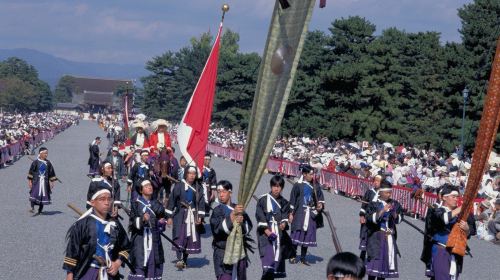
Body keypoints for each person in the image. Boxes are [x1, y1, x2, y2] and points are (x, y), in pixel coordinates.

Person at [63, 184, 130, 280]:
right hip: (87, 272)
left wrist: (117, 263)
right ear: (92, 202)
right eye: (102, 199)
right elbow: (73, 250)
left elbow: (126, 247)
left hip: (109, 273)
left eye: (109, 199)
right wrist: (69, 275)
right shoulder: (82, 224)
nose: (107, 202)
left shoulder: (115, 224)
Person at [424, 184, 474, 280]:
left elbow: (466, 235)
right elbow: (444, 219)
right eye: (453, 197)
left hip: (456, 251)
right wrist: (462, 208)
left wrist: (467, 229)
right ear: (444, 198)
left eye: (457, 197)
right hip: (441, 250)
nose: (456, 199)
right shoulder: (436, 210)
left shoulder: (459, 214)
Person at [210, 180, 253, 280]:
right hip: (222, 253)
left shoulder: (239, 208)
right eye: (219, 192)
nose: (221, 195)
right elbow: (217, 231)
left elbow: (248, 228)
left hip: (238, 252)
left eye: (224, 191)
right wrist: (232, 215)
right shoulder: (217, 211)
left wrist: (242, 222)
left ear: (230, 193)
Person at [166, 165, 206, 269]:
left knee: (189, 238)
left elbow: (201, 203)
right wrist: (169, 216)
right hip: (180, 214)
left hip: (193, 215)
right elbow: (172, 201)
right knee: (179, 236)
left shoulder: (198, 187)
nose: (192, 176)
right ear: (186, 174)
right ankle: (179, 259)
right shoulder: (179, 186)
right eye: (190, 173)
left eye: (194, 174)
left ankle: (184, 259)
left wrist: (200, 217)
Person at [128, 180, 167, 280]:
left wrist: (161, 223)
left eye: (150, 185)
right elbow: (132, 223)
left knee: (154, 264)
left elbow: (161, 221)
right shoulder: (136, 204)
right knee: (140, 265)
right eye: (146, 186)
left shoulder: (157, 204)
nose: (149, 187)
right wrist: (142, 219)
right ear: (141, 190)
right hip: (140, 240)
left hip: (154, 239)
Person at [256, 175, 293, 279]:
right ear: (271, 186)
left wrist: (284, 224)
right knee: (267, 265)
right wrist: (267, 231)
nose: (276, 189)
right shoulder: (263, 199)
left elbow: (285, 216)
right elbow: (260, 216)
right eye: (274, 186)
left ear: (282, 188)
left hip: (278, 236)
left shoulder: (285, 202)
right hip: (265, 235)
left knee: (274, 267)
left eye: (279, 186)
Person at [365, 180, 403, 280]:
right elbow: (370, 219)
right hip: (376, 237)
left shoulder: (395, 203)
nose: (389, 195)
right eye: (387, 192)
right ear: (380, 192)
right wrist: (382, 211)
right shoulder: (374, 204)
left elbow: (399, 219)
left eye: (390, 192)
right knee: (374, 264)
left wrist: (394, 213)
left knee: (384, 266)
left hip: (389, 237)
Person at [288, 164, 325, 265]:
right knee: (297, 233)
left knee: (307, 235)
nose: (312, 176)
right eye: (310, 174)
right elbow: (292, 200)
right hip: (299, 213)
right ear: (304, 174)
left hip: (311, 214)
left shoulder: (316, 185)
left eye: (313, 174)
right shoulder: (298, 185)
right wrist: (291, 214)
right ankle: (292, 255)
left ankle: (303, 258)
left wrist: (320, 205)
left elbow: (321, 199)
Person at [27, 147, 58, 215]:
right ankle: (32, 208)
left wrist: (52, 182)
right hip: (36, 181)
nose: (46, 155)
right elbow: (31, 172)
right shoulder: (35, 163)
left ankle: (40, 210)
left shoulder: (48, 163)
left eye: (47, 153)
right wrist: (29, 182)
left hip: (45, 182)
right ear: (40, 154)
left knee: (43, 195)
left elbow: (51, 172)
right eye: (45, 153)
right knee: (34, 193)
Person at [359, 175, 382, 261]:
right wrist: (362, 215)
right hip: (367, 218)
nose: (376, 182)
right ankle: (362, 253)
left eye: (378, 181)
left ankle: (371, 254)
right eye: (375, 181)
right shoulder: (369, 192)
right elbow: (364, 205)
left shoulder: (382, 194)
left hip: (376, 219)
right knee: (365, 235)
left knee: (374, 236)